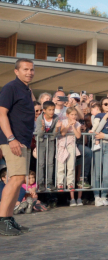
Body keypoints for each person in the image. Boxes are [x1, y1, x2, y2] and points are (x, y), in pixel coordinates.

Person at [0, 58, 35, 236]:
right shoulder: (10, 88)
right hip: (12, 141)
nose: (29, 72)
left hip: (24, 141)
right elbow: (1, 114)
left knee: (19, 179)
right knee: (16, 178)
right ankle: (2, 220)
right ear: (16, 71)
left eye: (31, 69)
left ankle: (8, 218)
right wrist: (11, 138)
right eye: (25, 69)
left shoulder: (27, 90)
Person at [34, 101, 60, 192]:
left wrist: (56, 128)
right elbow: (39, 135)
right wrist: (42, 128)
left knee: (50, 163)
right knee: (41, 163)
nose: (52, 112)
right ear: (44, 110)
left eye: (53, 109)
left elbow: (54, 135)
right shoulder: (40, 119)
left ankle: (49, 182)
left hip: (51, 142)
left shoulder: (56, 118)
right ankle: (40, 183)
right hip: (41, 142)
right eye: (49, 110)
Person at [56, 107, 82, 192]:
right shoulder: (63, 122)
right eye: (72, 114)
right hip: (62, 145)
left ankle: (70, 183)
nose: (74, 116)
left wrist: (73, 126)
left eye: (75, 114)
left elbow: (78, 136)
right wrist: (68, 125)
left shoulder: (78, 124)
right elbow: (63, 133)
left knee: (71, 166)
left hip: (71, 145)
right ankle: (60, 183)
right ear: (67, 115)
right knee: (61, 165)